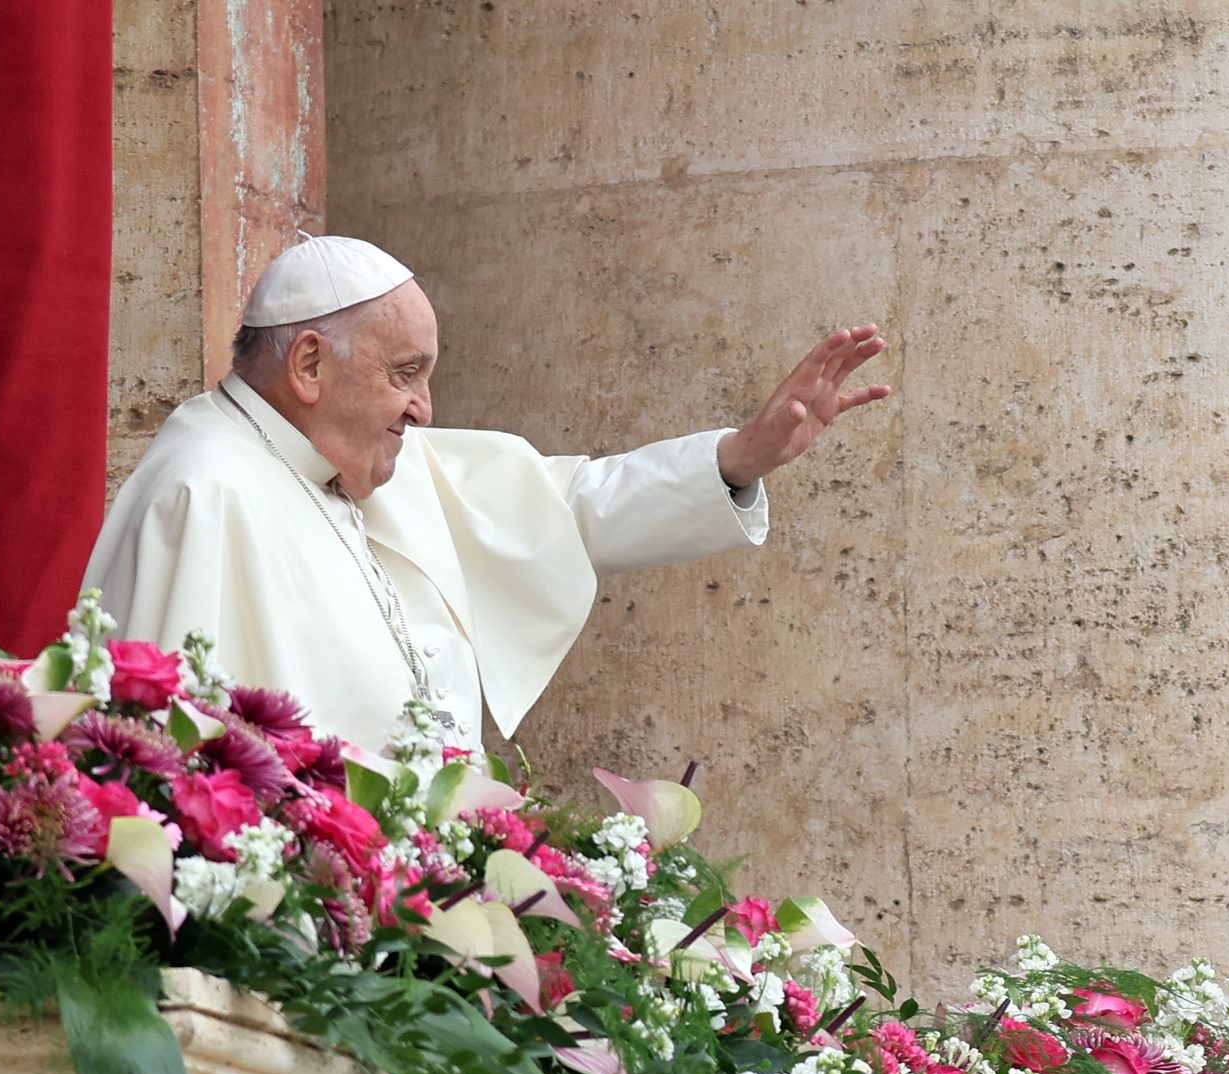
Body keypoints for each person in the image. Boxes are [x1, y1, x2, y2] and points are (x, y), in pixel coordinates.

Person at [84, 236, 889, 751]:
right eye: (406, 375)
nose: (423, 410)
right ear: (309, 365)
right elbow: (162, 757)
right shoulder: (203, 490)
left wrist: (738, 458)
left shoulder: (371, 459)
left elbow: (569, 508)